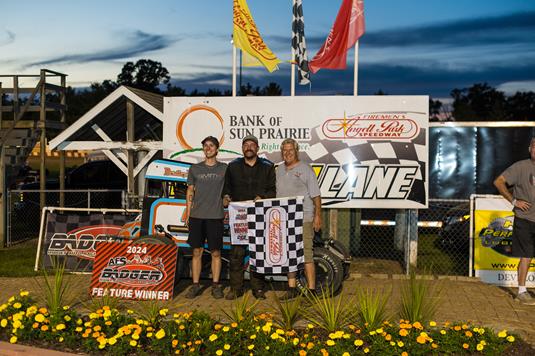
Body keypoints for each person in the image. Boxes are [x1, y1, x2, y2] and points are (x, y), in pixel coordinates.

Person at [223, 135, 276, 300]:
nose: (249, 147)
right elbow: (227, 189)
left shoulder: (268, 167)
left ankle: (258, 288)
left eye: (252, 144)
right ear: (242, 148)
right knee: (237, 254)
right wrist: (225, 197)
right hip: (238, 217)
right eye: (246, 144)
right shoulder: (232, 167)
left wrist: (263, 197)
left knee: (258, 253)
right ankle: (236, 289)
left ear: (257, 148)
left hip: (260, 217)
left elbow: (273, 190)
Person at [276, 138, 321, 299]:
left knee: (306, 254)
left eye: (291, 150)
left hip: (304, 218)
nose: (287, 153)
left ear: (296, 151)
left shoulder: (306, 169)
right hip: (284, 220)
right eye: (285, 150)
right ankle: (291, 289)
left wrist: (317, 216)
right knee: (289, 255)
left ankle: (312, 291)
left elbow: (316, 195)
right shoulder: (279, 170)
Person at [184, 136, 227, 299]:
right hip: (197, 216)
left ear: (217, 149)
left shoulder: (224, 168)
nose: (208, 148)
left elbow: (228, 190)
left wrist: (227, 199)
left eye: (211, 145)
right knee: (197, 251)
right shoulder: (195, 168)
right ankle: (195, 285)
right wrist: (188, 213)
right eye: (205, 146)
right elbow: (190, 192)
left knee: (216, 252)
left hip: (215, 216)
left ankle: (216, 286)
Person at [494, 137, 535, 305]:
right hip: (524, 219)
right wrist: (513, 201)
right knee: (526, 256)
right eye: (534, 147)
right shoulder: (520, 167)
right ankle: (522, 291)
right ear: (529, 149)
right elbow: (498, 182)